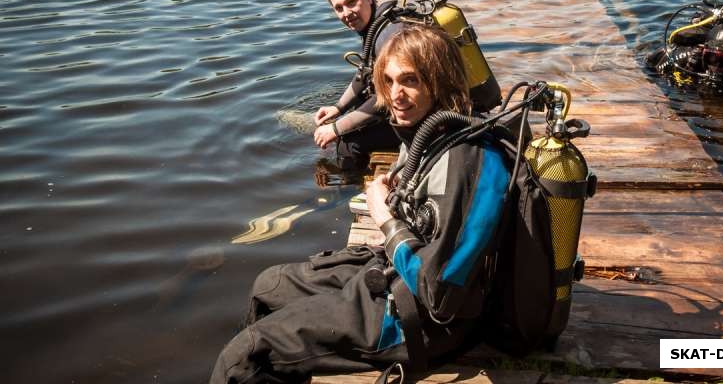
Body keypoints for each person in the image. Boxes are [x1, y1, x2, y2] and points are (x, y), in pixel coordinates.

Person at [211, 25, 512, 384]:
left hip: (423, 323)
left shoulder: (469, 160)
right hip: (395, 275)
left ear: (440, 81)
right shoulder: (432, 134)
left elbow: (438, 294)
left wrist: (384, 216)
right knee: (269, 285)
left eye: (410, 81)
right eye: (388, 81)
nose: (396, 95)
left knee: (243, 356)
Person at [313, 0, 404, 170]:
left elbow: (387, 97)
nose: (346, 13)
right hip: (412, 103)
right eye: (338, 8)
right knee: (356, 113)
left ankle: (345, 193)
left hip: (430, 117)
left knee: (347, 144)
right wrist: (338, 108)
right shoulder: (376, 20)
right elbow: (366, 72)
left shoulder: (390, 35)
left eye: (351, 2)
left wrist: (336, 129)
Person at [646, 0, 723, 88]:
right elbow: (651, 65)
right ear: (703, 50)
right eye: (712, 57)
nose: (717, 66)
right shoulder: (686, 55)